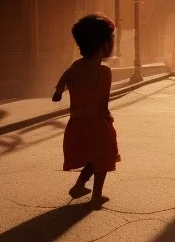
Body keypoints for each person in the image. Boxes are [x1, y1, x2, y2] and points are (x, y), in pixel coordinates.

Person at [52, 13, 120, 208]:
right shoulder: (104, 71)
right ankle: (96, 196)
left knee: (93, 157)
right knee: (105, 156)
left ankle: (79, 186)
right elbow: (103, 101)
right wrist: (108, 119)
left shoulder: (76, 66)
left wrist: (58, 91)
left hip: (77, 122)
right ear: (105, 44)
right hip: (97, 121)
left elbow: (65, 77)